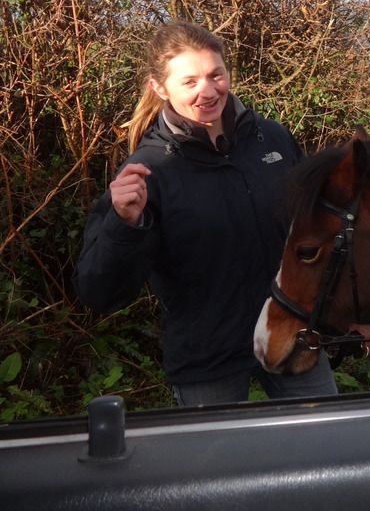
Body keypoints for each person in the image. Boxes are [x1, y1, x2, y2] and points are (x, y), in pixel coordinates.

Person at [75, 21, 340, 405]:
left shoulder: (273, 140)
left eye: (216, 75)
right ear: (159, 88)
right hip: (208, 357)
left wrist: (349, 312)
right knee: (217, 448)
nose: (209, 91)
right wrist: (124, 224)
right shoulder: (149, 171)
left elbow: (317, 232)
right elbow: (97, 292)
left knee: (326, 436)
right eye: (190, 82)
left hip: (291, 334)